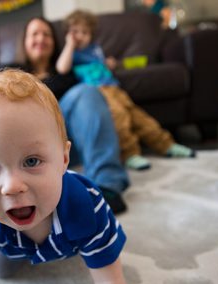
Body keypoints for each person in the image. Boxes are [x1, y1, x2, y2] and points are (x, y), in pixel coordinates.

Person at [0, 69, 130, 284]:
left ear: (63, 159)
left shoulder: (88, 204)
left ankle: (73, 246)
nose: (12, 186)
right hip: (7, 245)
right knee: (0, 271)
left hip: (70, 239)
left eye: (31, 161)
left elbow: (109, 280)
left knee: (94, 254)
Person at [0, 17, 129, 214]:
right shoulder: (9, 74)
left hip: (59, 142)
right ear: (24, 42)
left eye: (46, 34)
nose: (40, 38)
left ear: (54, 42)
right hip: (13, 144)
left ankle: (106, 183)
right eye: (34, 34)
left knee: (88, 91)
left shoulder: (67, 70)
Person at [56, 9, 195, 171]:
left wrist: (108, 64)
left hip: (115, 88)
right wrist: (70, 44)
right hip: (98, 93)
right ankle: (129, 153)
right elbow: (62, 68)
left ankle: (167, 145)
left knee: (140, 117)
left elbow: (100, 64)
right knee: (119, 117)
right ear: (68, 33)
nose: (80, 36)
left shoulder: (95, 48)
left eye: (85, 32)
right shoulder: (72, 52)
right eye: (75, 32)